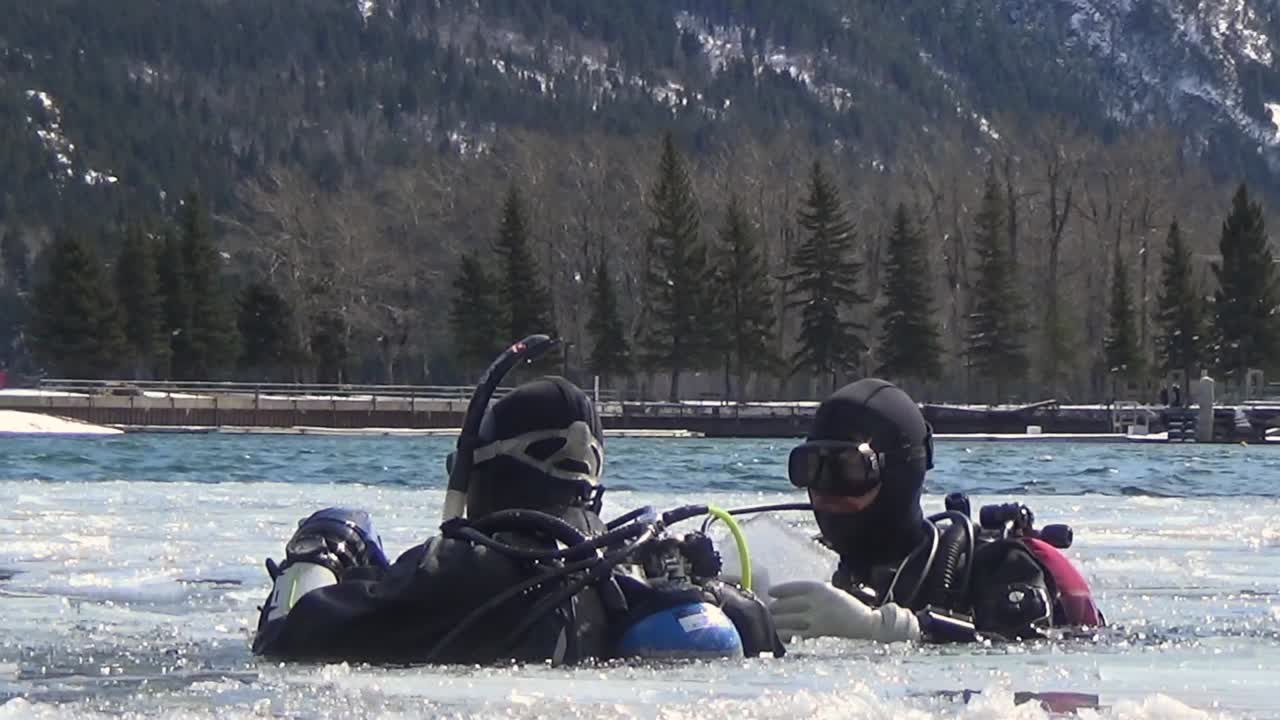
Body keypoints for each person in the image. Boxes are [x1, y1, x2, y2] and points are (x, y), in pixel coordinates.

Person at [252, 374, 783, 665]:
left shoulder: (459, 569)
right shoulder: (631, 564)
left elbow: (289, 639)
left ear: (486, 467)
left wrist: (321, 550)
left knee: (343, 526)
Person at [767, 378, 1104, 644]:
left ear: (899, 474)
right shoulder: (812, 568)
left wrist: (884, 629)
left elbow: (1026, 649)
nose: (827, 490)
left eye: (850, 469)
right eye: (811, 468)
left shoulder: (997, 567)